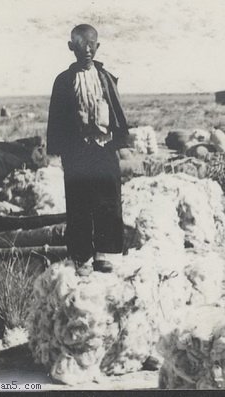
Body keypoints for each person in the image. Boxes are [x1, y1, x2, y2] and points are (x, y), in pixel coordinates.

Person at [46, 24, 130, 275]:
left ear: (97, 46)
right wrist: (58, 152)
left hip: (104, 148)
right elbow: (55, 118)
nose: (87, 49)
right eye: (81, 44)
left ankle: (103, 254)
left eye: (91, 44)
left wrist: (120, 143)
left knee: (108, 201)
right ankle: (81, 256)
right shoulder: (63, 81)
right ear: (71, 47)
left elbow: (115, 110)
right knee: (79, 202)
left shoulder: (105, 78)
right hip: (77, 151)